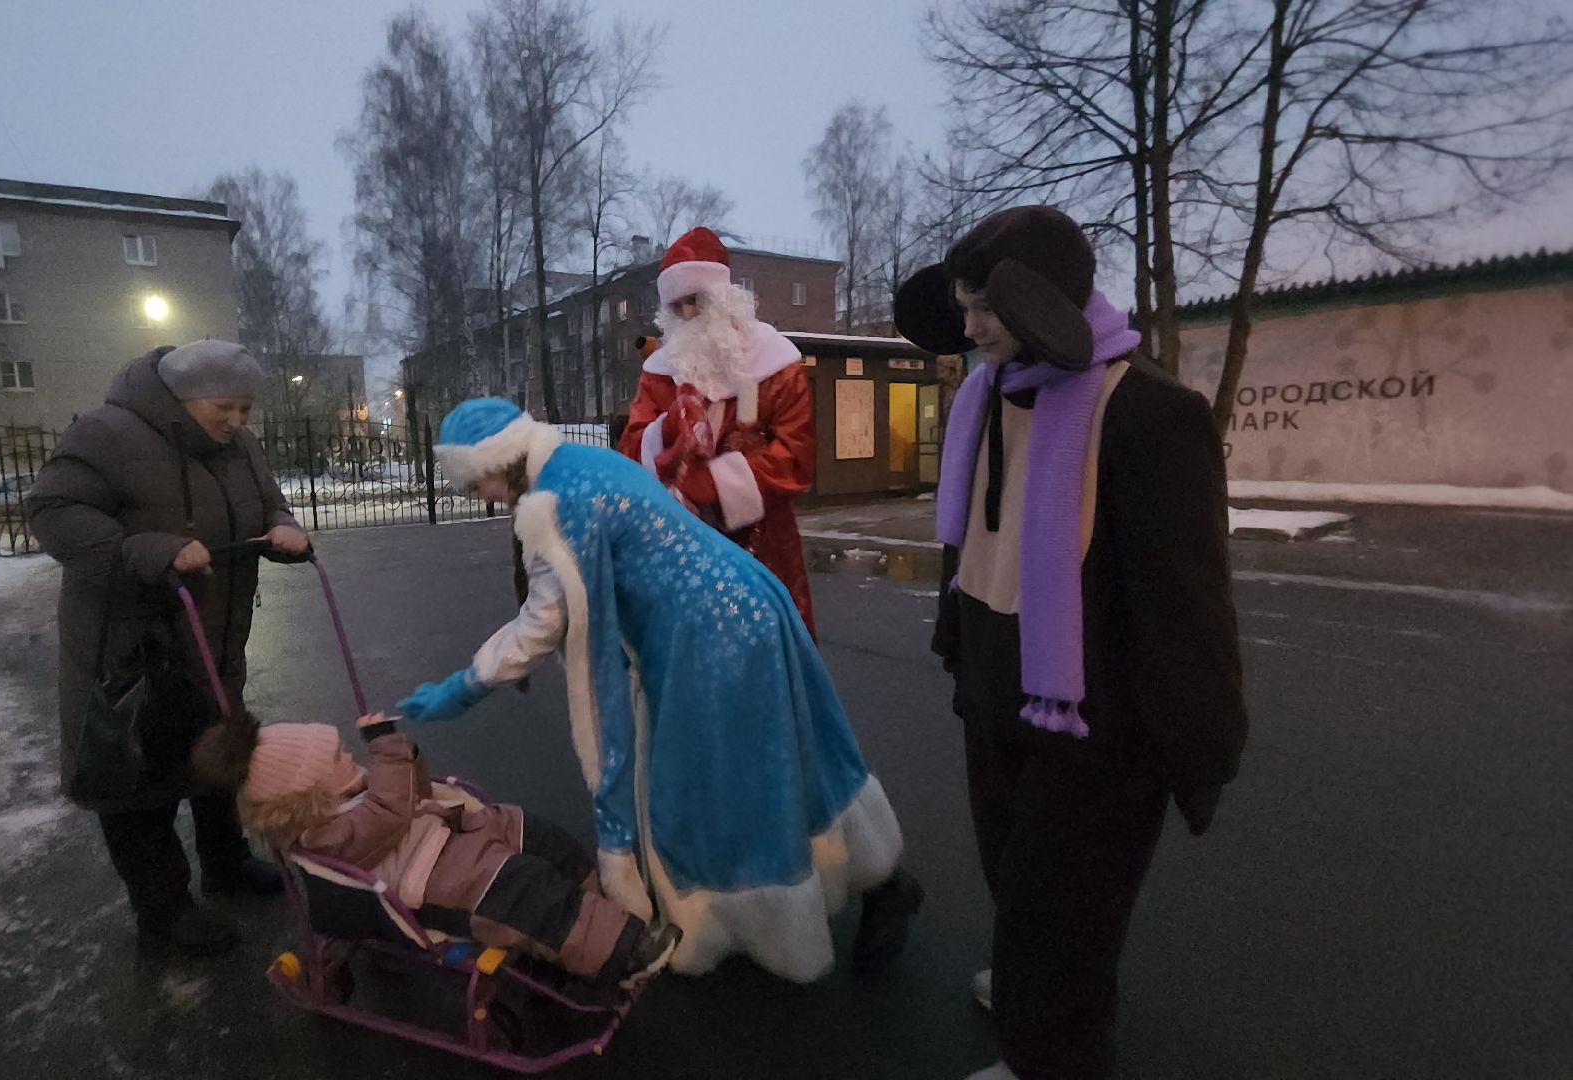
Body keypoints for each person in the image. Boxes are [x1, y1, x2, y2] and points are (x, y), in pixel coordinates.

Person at [893, 206, 1248, 1080]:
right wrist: (958, 656)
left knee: (1071, 899)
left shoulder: (1148, 414)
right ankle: (1029, 989)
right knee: (1015, 869)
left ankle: (1055, 1054)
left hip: (1097, 714)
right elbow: (969, 549)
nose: (968, 327)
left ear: (1042, 300)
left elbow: (1186, 600)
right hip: (996, 678)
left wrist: (1199, 748)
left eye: (986, 306)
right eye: (962, 304)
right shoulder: (985, 397)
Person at [396, 397, 921, 984]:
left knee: (703, 787)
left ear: (499, 461)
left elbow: (543, 623)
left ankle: (736, 921)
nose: (485, 498)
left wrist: (463, 686)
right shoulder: (585, 461)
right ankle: (878, 876)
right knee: (794, 749)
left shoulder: (554, 503)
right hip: (749, 605)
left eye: (477, 484)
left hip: (705, 640)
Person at [24, 340, 312, 956]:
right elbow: (52, 510)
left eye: (246, 409)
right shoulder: (107, 434)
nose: (239, 423)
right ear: (184, 399)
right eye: (227, 408)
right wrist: (148, 549)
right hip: (129, 646)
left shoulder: (239, 445)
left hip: (212, 632)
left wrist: (282, 523)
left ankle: (227, 865)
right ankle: (163, 913)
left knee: (216, 755)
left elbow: (266, 500)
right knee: (135, 779)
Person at [236, 714, 681, 987]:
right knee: (528, 891)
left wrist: (405, 755)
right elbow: (389, 814)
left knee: (541, 837)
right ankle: (624, 951)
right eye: (335, 759)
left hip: (454, 831)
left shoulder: (356, 793)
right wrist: (389, 750)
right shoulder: (325, 835)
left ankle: (601, 906)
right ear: (305, 800)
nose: (350, 758)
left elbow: (411, 790)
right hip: (439, 879)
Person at [619, 227, 819, 633]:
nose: (689, 314)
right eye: (677, 306)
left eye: (697, 300)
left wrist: (713, 482)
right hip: (679, 547)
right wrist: (671, 427)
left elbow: (796, 458)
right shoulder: (659, 373)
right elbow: (632, 449)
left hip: (764, 548)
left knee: (765, 650)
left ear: (726, 298)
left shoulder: (776, 364)